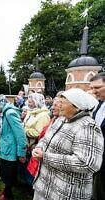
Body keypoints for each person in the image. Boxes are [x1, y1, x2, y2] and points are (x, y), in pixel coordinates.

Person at [32, 88, 103, 200]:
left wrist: (45, 157)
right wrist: (38, 148)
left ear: (77, 106)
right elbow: (45, 139)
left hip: (66, 193)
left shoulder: (87, 126)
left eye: (62, 103)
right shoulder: (61, 119)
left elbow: (88, 164)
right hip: (44, 187)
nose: (58, 105)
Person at [0, 95, 27, 200]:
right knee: (5, 173)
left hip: (10, 150)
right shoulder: (4, 112)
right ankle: (6, 192)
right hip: (6, 149)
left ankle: (8, 196)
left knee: (9, 174)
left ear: (1, 103)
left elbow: (20, 133)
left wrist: (21, 153)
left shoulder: (9, 113)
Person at [90, 72, 105, 200]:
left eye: (97, 87)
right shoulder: (99, 105)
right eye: (92, 88)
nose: (94, 91)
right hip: (98, 160)